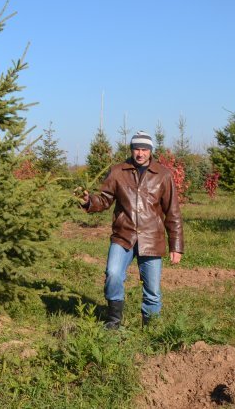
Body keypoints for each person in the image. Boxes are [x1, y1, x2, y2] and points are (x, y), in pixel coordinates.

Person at [79, 130, 184, 328]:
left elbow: (173, 212)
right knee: (113, 274)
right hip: (123, 235)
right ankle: (113, 320)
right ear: (131, 149)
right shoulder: (118, 172)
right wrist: (88, 201)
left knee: (152, 288)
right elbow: (104, 199)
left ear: (150, 150)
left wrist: (175, 245)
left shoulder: (163, 175)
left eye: (144, 149)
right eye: (137, 148)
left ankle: (151, 328)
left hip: (152, 238)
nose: (140, 153)